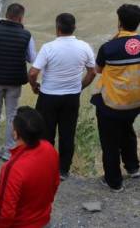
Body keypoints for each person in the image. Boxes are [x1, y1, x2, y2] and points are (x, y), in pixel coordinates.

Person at [29, 13, 96, 180]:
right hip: (71, 97)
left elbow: (32, 72)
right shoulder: (84, 46)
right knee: (67, 134)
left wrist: (34, 85)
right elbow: (92, 72)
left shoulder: (48, 47)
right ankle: (63, 171)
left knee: (46, 134)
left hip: (49, 96)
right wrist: (80, 87)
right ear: (74, 28)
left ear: (57, 28)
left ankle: (47, 167)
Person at [0, 3, 36, 161]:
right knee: (12, 115)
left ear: (6, 14)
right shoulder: (26, 35)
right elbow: (32, 58)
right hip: (15, 81)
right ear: (21, 18)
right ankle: (10, 150)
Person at [92, 4, 140, 192]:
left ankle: (114, 181)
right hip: (135, 102)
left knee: (109, 140)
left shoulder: (108, 47)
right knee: (127, 130)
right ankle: (133, 167)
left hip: (113, 104)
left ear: (119, 22)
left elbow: (98, 70)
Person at [0, 107, 60, 227]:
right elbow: (55, 184)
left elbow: (5, 212)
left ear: (16, 134)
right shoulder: (50, 149)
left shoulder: (13, 168)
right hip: (43, 220)